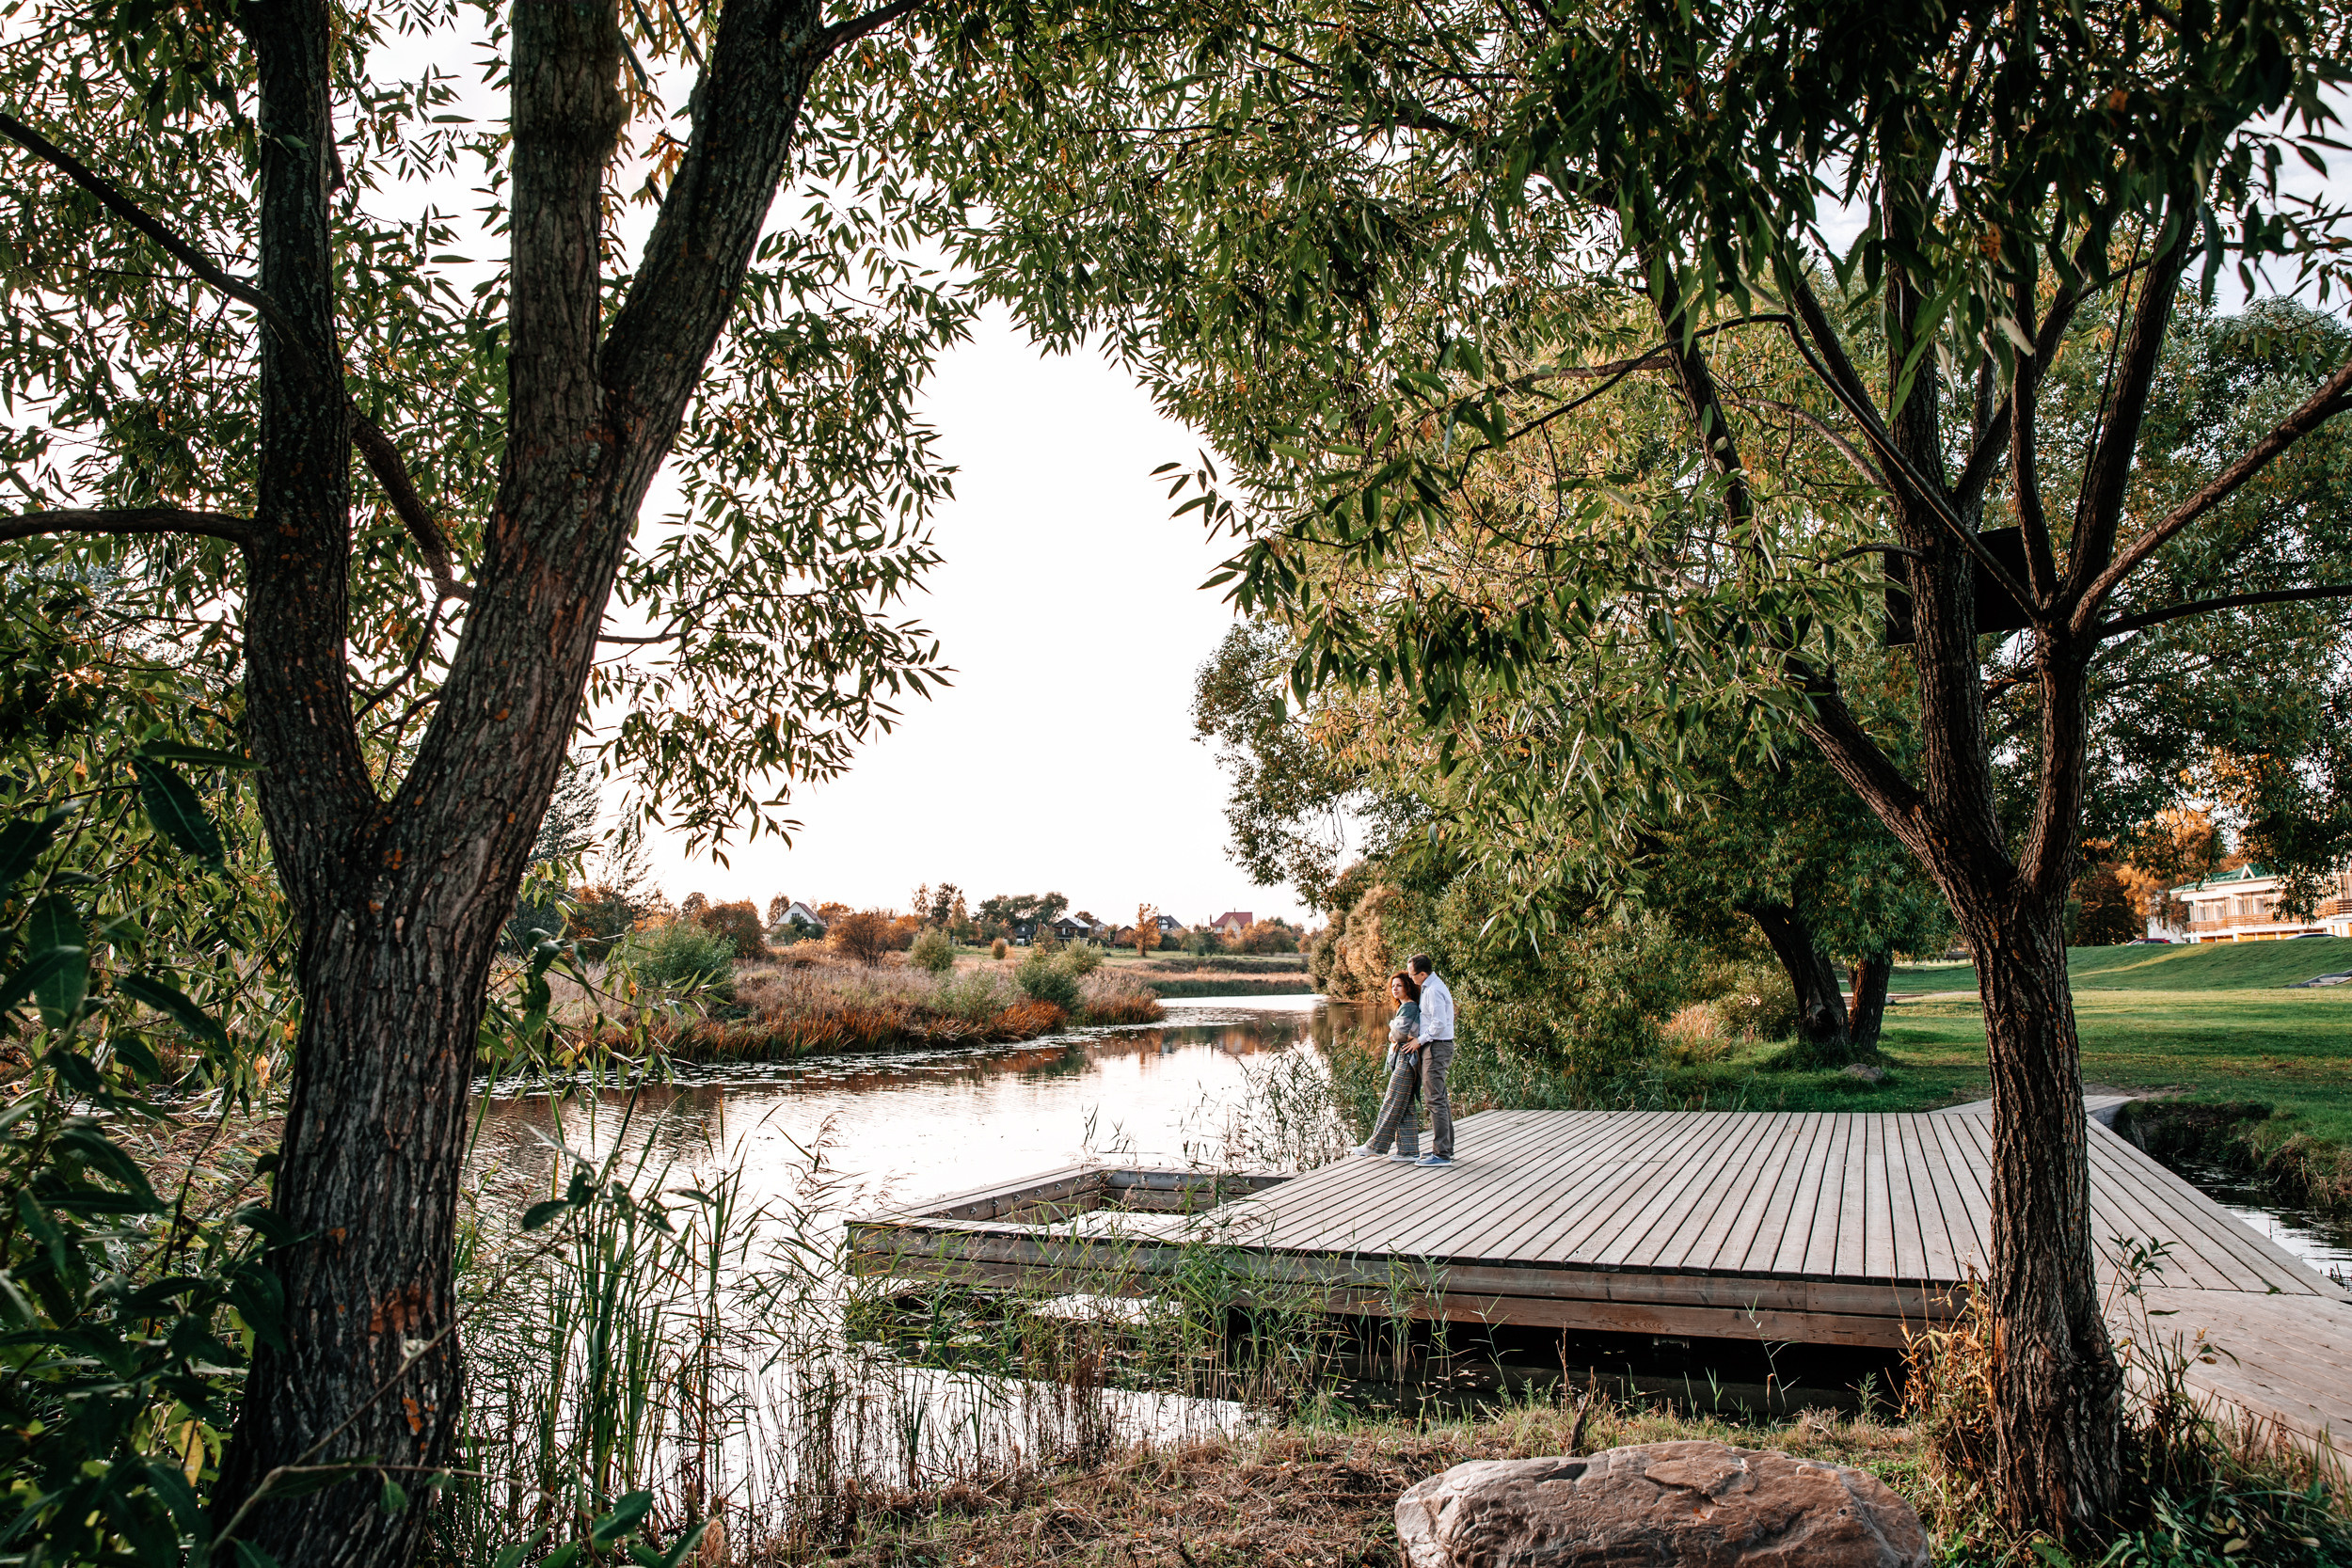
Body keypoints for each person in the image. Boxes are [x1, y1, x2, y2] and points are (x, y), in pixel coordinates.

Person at [1352, 972, 1424, 1161]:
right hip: (1405, 1058)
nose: (1395, 989)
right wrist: (1398, 1032)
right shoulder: (1405, 1007)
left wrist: (1394, 1030)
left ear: (1408, 986)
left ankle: (1375, 1146)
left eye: (1399, 985)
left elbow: (1397, 1035)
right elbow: (1398, 1033)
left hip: (1406, 1059)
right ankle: (1408, 1151)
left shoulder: (1409, 1007)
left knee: (1391, 1102)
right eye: (1393, 986)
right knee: (1405, 1105)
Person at [1408, 953, 1455, 1167]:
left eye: (1412, 975)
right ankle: (1445, 1149)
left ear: (1423, 974)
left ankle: (1442, 1154)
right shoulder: (1431, 987)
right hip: (1436, 1045)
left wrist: (1420, 1040)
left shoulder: (1434, 990)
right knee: (1440, 1098)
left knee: (1434, 1099)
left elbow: (1439, 1024)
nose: (1411, 979)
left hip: (1436, 1046)